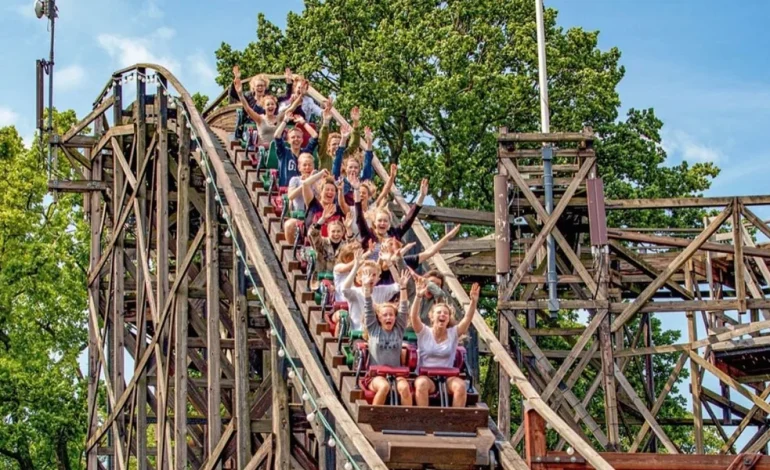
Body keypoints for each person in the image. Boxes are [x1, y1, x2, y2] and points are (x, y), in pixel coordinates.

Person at [410, 280, 479, 408]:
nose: (442, 315)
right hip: (426, 376)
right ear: (431, 317)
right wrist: (418, 296)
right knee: (421, 385)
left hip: (447, 377)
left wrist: (473, 302)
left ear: (448, 318)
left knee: (460, 386)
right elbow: (414, 317)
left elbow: (467, 320)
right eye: (439, 313)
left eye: (445, 313)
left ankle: (454, 421)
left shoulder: (453, 333)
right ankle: (423, 418)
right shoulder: (424, 332)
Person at [362, 266, 412, 406]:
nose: (388, 317)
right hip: (376, 375)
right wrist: (366, 288)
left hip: (396, 374)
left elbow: (403, 309)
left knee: (404, 388)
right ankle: (375, 416)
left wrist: (403, 288)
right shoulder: (374, 329)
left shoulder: (398, 329)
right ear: (379, 318)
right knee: (384, 387)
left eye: (391, 315)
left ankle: (407, 420)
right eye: (385, 315)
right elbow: (367, 307)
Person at [354, 178, 428, 256]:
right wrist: (356, 190)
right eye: (379, 220)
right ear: (374, 223)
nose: (382, 223)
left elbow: (409, 218)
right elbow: (359, 218)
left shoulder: (394, 234)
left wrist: (422, 196)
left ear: (389, 224)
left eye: (385, 221)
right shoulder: (368, 235)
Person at [340, 250, 400, 333]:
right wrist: (356, 266)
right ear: (360, 278)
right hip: (358, 333)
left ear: (378, 278)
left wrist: (389, 263)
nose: (370, 277)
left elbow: (399, 284)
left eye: (374, 275)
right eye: (366, 273)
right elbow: (344, 289)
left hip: (378, 333)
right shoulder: (355, 292)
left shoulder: (382, 290)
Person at [273, 114, 319, 187]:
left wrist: (303, 122)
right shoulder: (284, 153)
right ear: (288, 140)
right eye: (293, 137)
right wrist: (285, 121)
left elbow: (315, 136)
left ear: (302, 140)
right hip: (286, 190)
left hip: (304, 190)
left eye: (298, 137)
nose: (296, 139)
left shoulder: (305, 153)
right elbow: (276, 136)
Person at [333, 126, 374, 205]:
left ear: (359, 169)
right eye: (350, 167)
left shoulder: (362, 182)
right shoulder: (340, 181)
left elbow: (368, 162)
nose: (353, 169)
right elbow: (337, 161)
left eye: (356, 167)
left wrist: (369, 142)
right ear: (346, 168)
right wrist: (343, 139)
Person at [318, 99, 360, 171]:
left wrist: (355, 123)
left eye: (338, 143)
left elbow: (354, 144)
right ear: (328, 147)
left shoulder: (345, 156)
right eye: (334, 144)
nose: (337, 146)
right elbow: (322, 139)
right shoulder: (324, 156)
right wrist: (326, 121)